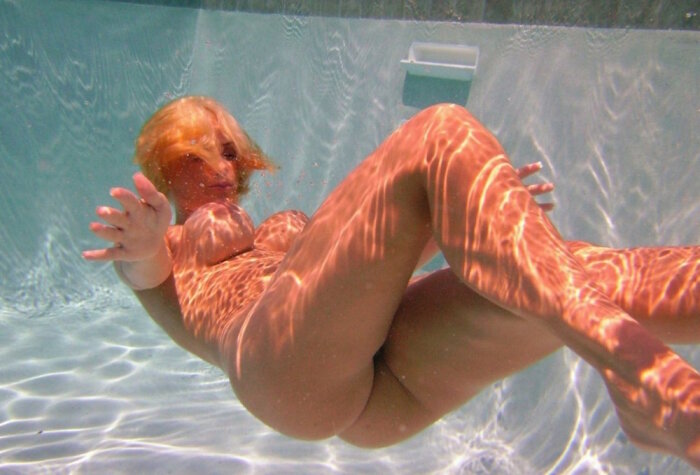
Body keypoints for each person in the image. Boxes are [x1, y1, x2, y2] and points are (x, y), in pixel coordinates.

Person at [83, 96, 700, 468]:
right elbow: (145, 272)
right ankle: (635, 368)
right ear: (165, 162)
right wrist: (144, 243)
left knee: (584, 266)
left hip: (381, 391)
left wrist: (480, 209)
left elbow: (367, 278)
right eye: (196, 154)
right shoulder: (166, 244)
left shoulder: (279, 235)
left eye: (227, 151)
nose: (221, 167)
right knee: (441, 131)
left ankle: (672, 397)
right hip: (280, 370)